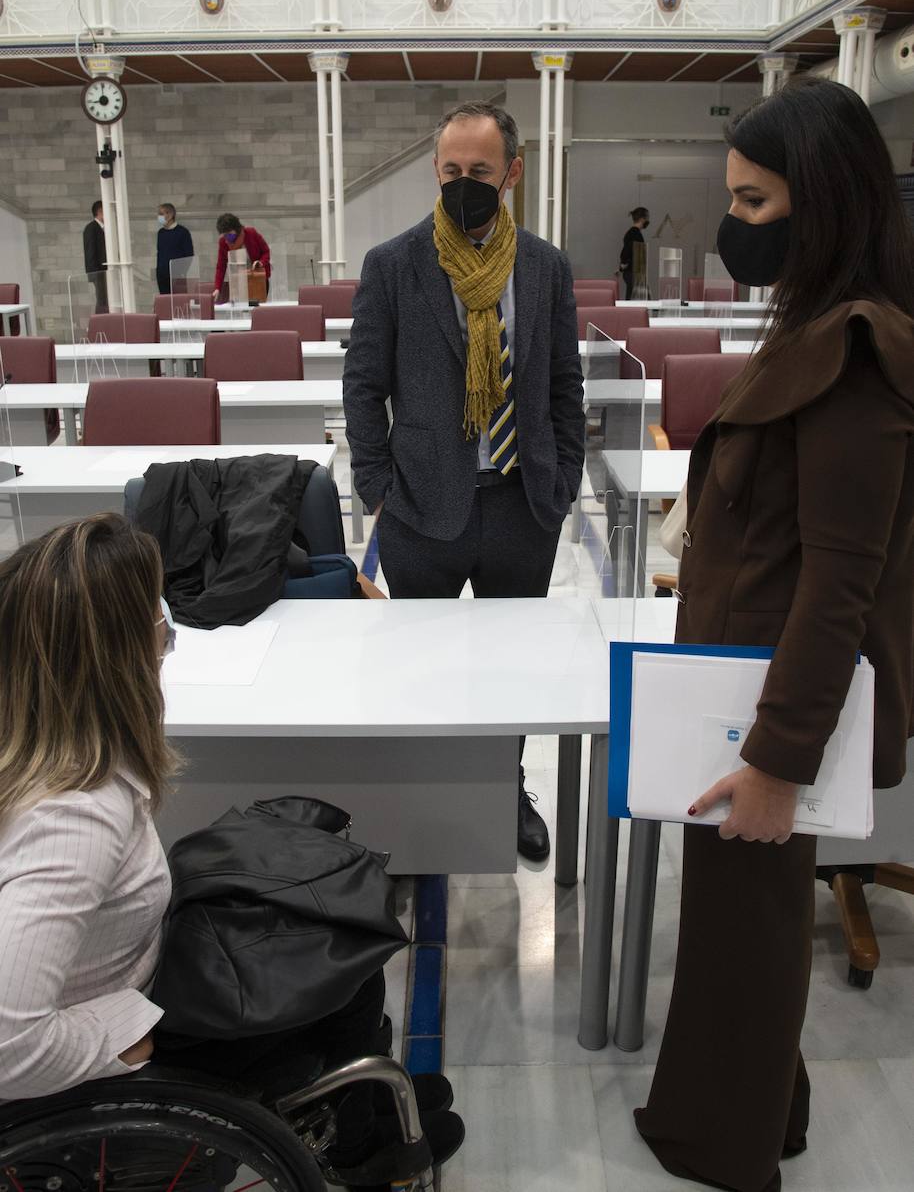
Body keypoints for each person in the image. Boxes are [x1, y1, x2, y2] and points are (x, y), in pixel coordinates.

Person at [634, 77, 914, 1192]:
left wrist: (773, 762)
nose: (734, 225)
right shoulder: (814, 322)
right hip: (736, 680)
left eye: (752, 204)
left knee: (744, 936)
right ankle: (766, 1112)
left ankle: (729, 1149)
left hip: (764, 705)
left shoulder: (855, 352)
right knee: (734, 928)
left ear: (822, 201)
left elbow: (844, 578)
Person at [0, 515, 462, 1189]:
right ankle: (363, 1145)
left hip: (133, 969)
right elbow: (9, 1045)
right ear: (119, 652)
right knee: (344, 955)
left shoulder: (45, 751)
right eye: (155, 609)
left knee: (329, 925)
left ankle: (367, 1118)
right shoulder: (74, 818)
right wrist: (116, 1034)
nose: (168, 623)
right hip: (125, 1030)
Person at [343, 101, 585, 862]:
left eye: (480, 172)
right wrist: (378, 484)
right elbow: (362, 384)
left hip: (522, 503)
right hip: (420, 506)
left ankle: (505, 787)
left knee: (511, 674)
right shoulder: (395, 263)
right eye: (451, 171)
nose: (463, 184)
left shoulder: (544, 266)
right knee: (419, 671)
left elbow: (564, 384)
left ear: (512, 173)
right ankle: (423, 797)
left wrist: (564, 478)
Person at [213, 212, 271, 304]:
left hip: (257, 279)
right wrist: (217, 288)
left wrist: (260, 263)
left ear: (236, 229)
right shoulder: (223, 243)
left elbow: (266, 251)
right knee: (241, 310)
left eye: (229, 233)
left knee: (256, 309)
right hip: (238, 282)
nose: (227, 237)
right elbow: (221, 267)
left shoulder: (251, 233)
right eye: (225, 235)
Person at [155, 202, 194, 295]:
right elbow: (159, 253)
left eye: (161, 214)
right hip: (162, 276)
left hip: (177, 276)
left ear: (170, 215)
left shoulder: (183, 232)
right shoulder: (161, 233)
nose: (159, 217)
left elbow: (189, 255)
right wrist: (159, 271)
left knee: (178, 303)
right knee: (165, 303)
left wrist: (181, 272)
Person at [82, 199, 108, 314]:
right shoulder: (91, 228)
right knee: (102, 299)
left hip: (103, 271)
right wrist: (94, 274)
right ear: (100, 211)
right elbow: (90, 251)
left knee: (104, 299)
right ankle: (100, 323)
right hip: (98, 272)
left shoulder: (103, 228)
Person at [618, 205, 649, 299]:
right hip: (633, 272)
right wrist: (624, 264)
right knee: (632, 299)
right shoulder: (635, 234)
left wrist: (623, 265)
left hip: (633, 272)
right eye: (647, 218)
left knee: (632, 297)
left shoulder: (632, 233)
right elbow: (626, 251)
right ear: (642, 219)